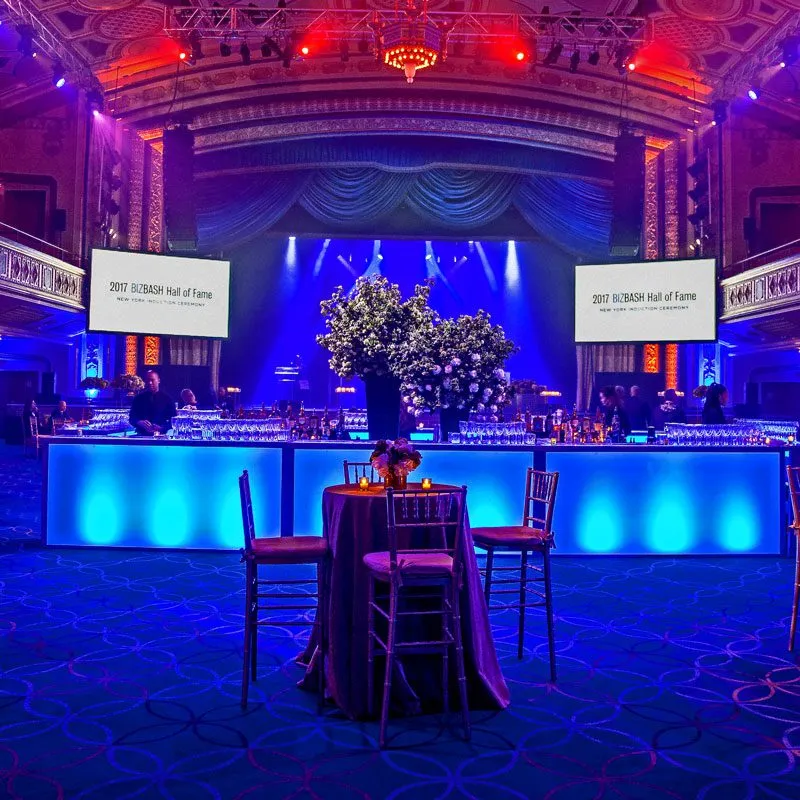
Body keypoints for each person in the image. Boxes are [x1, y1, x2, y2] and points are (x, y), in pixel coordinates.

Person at [129, 369, 177, 435]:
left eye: (152, 380)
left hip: (161, 436)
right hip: (141, 435)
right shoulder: (138, 398)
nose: (150, 383)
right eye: (148, 380)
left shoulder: (167, 399)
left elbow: (174, 419)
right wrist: (139, 422)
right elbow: (132, 418)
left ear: (158, 381)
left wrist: (162, 428)